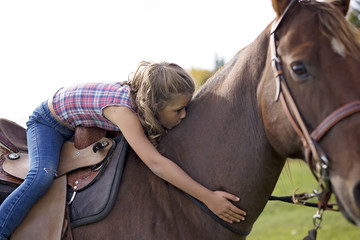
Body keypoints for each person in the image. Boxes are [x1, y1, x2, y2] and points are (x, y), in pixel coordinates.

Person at [0, 61, 246, 239]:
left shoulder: (143, 104)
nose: (183, 116)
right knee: (41, 176)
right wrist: (207, 197)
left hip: (77, 117)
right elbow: (156, 163)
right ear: (156, 105)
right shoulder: (124, 112)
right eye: (178, 110)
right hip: (48, 122)